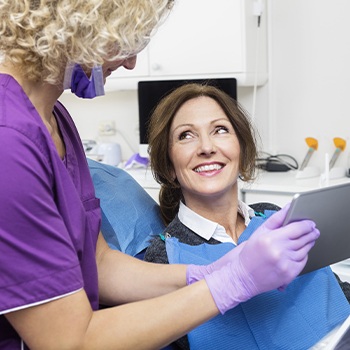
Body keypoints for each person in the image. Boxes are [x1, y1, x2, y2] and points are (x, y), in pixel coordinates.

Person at [0, 1, 321, 349]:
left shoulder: (56, 119)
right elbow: (69, 341)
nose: (131, 62)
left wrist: (214, 270)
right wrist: (233, 282)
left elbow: (99, 263)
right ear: (80, 28)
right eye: (122, 40)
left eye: (220, 130)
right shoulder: (9, 143)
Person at [144, 83, 350, 349]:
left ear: (241, 151)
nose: (206, 147)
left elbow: (331, 290)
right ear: (169, 165)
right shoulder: (164, 257)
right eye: (186, 135)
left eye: (220, 130)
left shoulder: (275, 215)